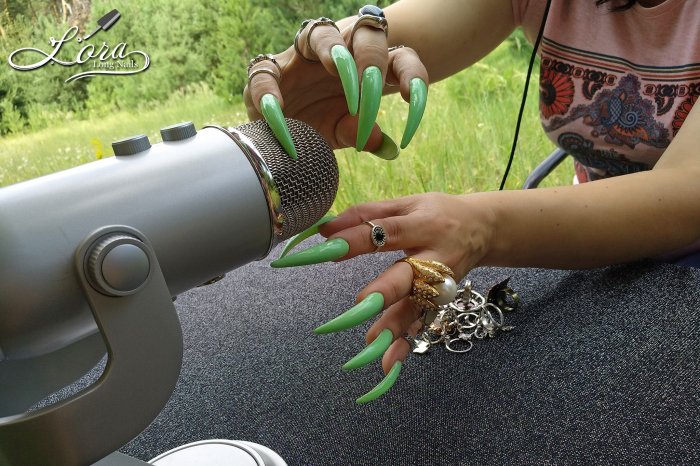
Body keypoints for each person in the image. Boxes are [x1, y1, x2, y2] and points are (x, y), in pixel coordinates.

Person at [243, 0, 700, 403]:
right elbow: (396, 32)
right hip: (592, 251)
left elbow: (687, 192)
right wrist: (321, 60)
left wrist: (481, 228)